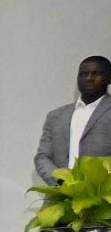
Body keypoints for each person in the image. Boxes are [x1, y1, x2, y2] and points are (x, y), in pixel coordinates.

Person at [32, 54, 111, 182]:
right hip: (60, 196)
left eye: (96, 73)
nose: (89, 78)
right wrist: (61, 181)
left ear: (109, 77)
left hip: (102, 198)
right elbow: (42, 156)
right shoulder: (56, 116)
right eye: (83, 74)